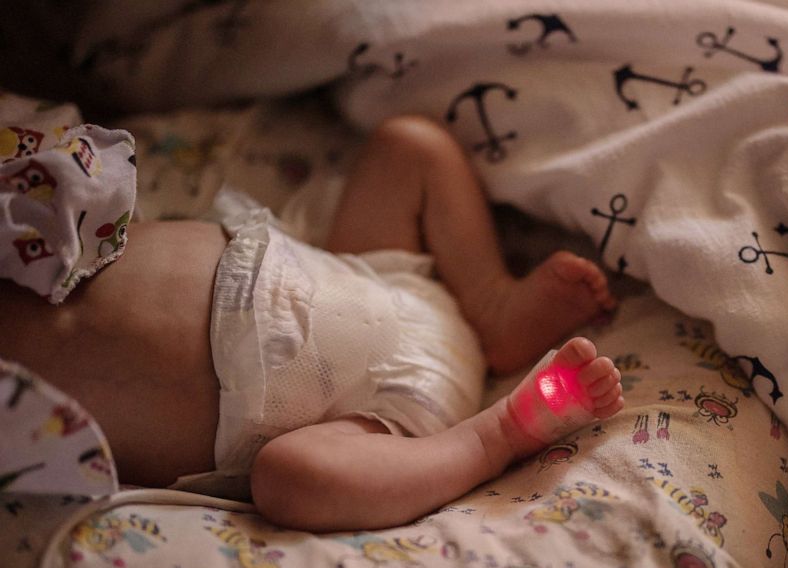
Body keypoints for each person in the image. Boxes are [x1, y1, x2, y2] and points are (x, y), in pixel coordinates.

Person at [0, 116, 624, 533]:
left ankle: (490, 301)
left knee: (410, 146)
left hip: (376, 271)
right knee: (291, 481)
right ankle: (494, 438)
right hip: (370, 420)